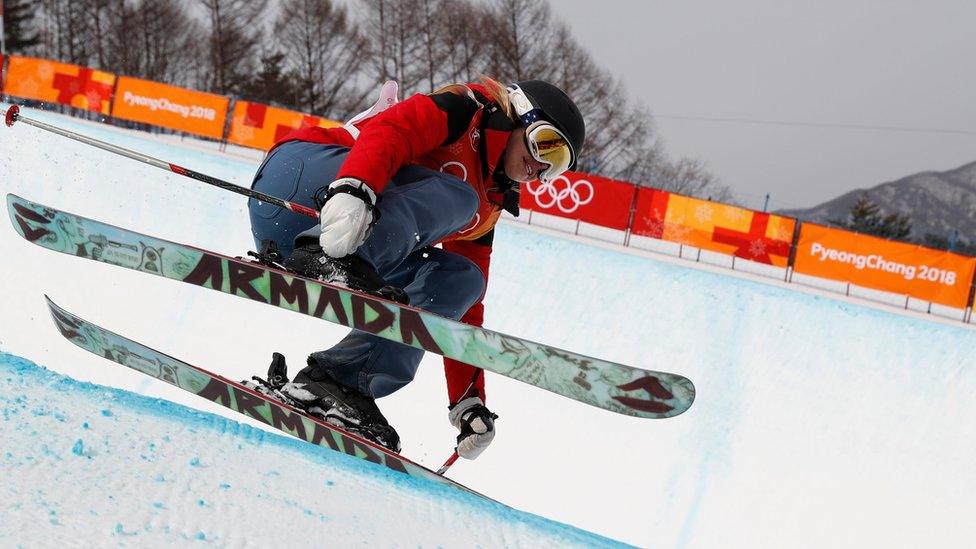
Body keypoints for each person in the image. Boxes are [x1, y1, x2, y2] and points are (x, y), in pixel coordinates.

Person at [246, 77, 585, 456]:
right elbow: (393, 130)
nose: (539, 167)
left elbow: (464, 312)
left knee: (462, 280)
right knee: (459, 197)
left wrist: (468, 400)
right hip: (302, 180)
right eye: (545, 144)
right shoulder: (465, 111)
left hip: (347, 230)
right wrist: (355, 189)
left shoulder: (487, 205)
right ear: (520, 115)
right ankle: (333, 256)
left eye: (556, 166)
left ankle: (341, 381)